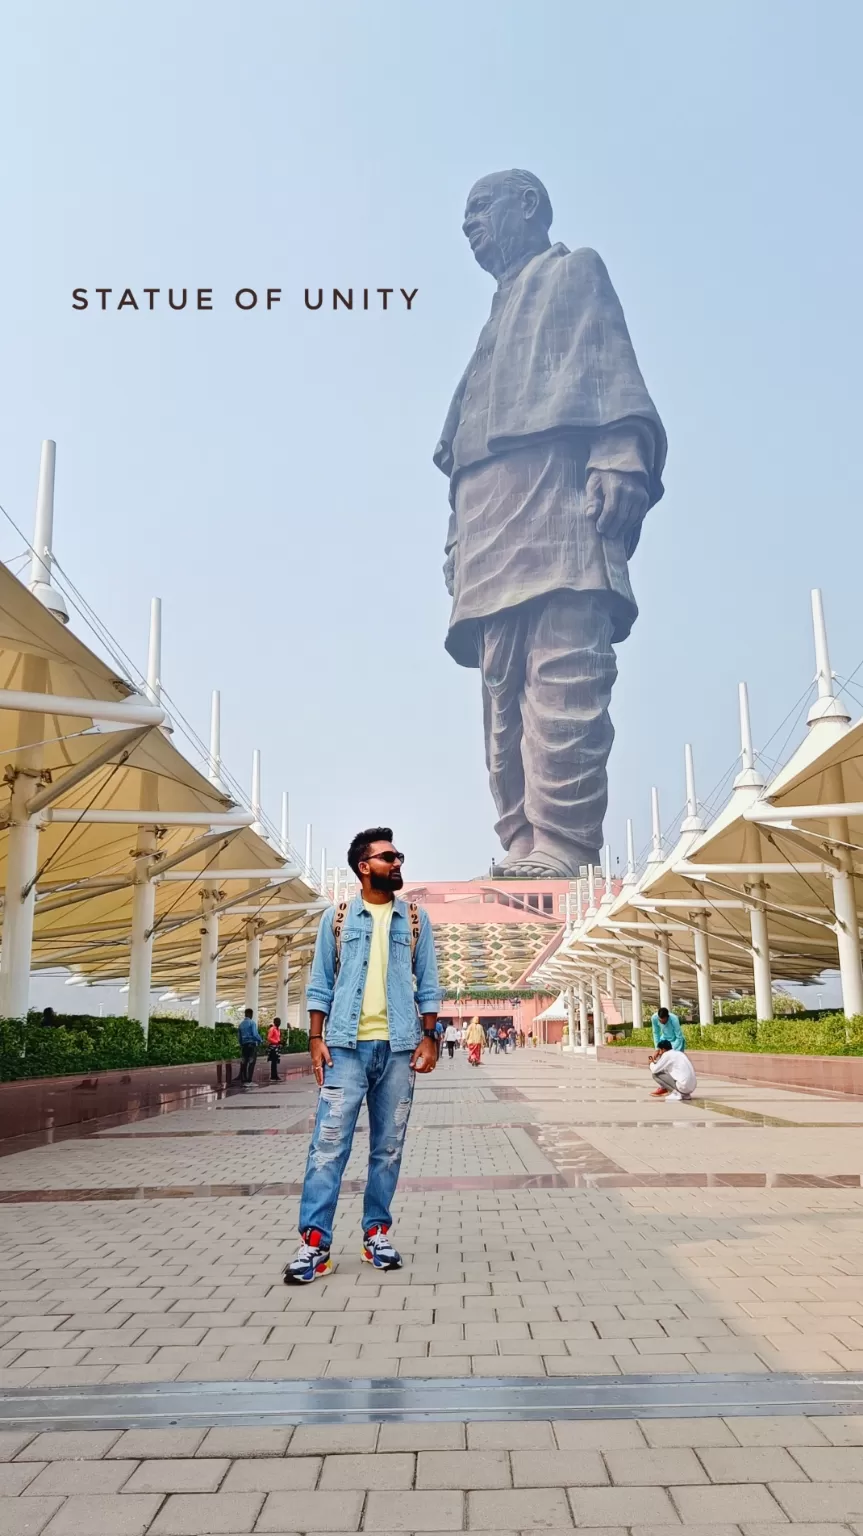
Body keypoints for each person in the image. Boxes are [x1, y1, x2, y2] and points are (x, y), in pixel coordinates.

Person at [434, 170, 666, 878]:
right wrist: (454, 538)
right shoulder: (492, 320)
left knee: (565, 673)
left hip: (557, 501)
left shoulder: (572, 273)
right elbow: (460, 447)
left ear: (526, 206)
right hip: (486, 518)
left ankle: (563, 843)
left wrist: (619, 454)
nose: (467, 225)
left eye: (480, 208)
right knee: (501, 695)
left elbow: (608, 369)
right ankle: (522, 840)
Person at [284, 827, 441, 1285]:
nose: (397, 864)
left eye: (399, 857)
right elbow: (320, 983)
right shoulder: (336, 918)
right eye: (388, 857)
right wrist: (315, 1038)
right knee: (328, 1147)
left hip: (399, 1050)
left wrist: (429, 1037)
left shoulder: (414, 919)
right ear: (363, 866)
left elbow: (428, 983)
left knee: (387, 1149)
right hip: (344, 1050)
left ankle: (376, 1233)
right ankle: (315, 1244)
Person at [238, 1008, 261, 1087]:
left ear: (245, 1014)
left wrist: (241, 1044)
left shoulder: (241, 1024)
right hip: (251, 1045)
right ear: (251, 1014)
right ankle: (249, 1081)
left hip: (244, 1045)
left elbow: (239, 1037)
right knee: (251, 1062)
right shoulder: (252, 1023)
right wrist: (260, 1040)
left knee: (244, 1062)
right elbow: (255, 1034)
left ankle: (244, 1080)